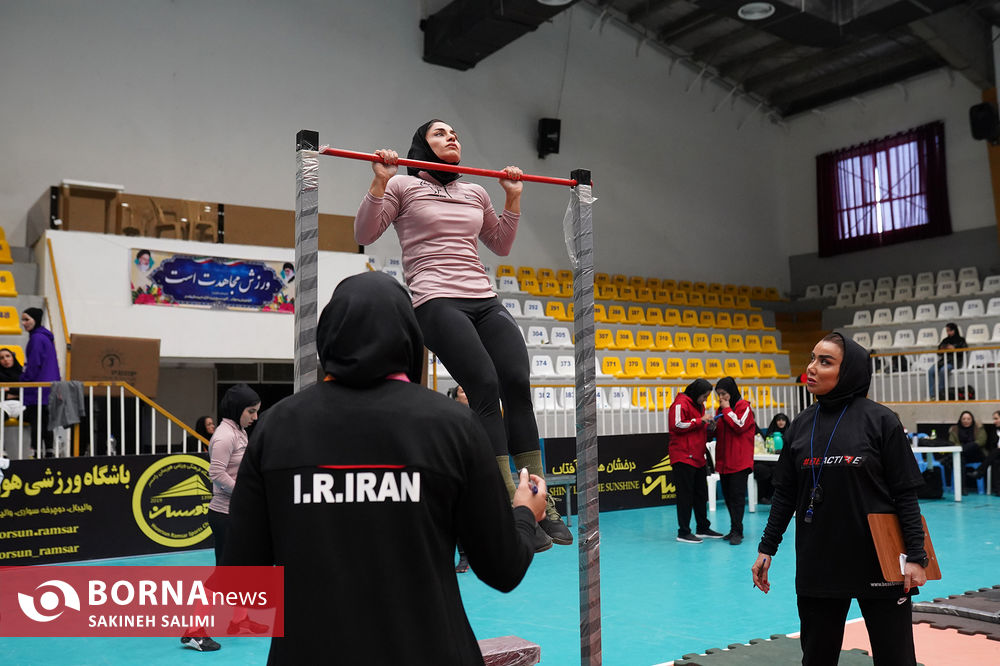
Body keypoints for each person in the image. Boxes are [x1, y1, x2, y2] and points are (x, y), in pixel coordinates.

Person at [222, 271, 547, 664]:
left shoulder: (276, 428)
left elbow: (240, 582)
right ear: (409, 338)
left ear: (328, 335)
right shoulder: (453, 426)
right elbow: (502, 568)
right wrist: (525, 514)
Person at [354, 118, 570, 550]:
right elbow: (364, 233)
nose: (451, 136)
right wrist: (379, 182)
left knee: (516, 384)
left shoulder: (475, 191)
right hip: (435, 298)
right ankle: (510, 503)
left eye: (454, 133)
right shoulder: (403, 186)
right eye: (439, 133)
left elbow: (500, 244)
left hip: (483, 298)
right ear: (421, 145)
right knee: (484, 386)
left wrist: (512, 198)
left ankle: (541, 502)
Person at [752, 332, 928, 666]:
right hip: (819, 562)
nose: (811, 368)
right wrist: (766, 548)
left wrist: (917, 556)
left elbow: (905, 494)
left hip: (881, 562)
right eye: (812, 358)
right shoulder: (800, 426)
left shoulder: (882, 421)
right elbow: (785, 495)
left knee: (896, 659)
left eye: (825, 362)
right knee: (817, 659)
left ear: (848, 372)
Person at [182, 384, 262, 652]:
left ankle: (239, 621)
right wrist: (245, 494)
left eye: (256, 411)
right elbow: (216, 474)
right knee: (223, 575)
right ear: (238, 409)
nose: (255, 417)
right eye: (251, 411)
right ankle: (194, 631)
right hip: (224, 515)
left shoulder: (239, 431)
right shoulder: (224, 436)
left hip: (238, 513)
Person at [668, 378, 723, 544]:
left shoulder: (699, 406)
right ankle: (683, 532)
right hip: (683, 456)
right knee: (685, 496)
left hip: (698, 456)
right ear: (696, 393)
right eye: (704, 396)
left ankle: (703, 527)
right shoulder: (680, 403)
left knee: (700, 494)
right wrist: (700, 421)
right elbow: (677, 424)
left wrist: (709, 425)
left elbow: (697, 427)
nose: (705, 400)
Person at [713, 377, 755, 545]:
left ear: (732, 392)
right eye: (718, 394)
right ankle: (733, 529)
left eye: (724, 394)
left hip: (739, 461)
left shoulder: (744, 407)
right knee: (728, 497)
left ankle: (738, 531)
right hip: (724, 462)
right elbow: (719, 431)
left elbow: (739, 425)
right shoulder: (721, 409)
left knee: (737, 498)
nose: (721, 398)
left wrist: (727, 410)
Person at [19, 308, 61, 455]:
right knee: (45, 421)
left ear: (35, 320)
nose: (23, 323)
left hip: (38, 388)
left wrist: (22, 380)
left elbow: (34, 365)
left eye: (26, 319)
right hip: (48, 387)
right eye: (22, 320)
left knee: (37, 421)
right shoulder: (45, 337)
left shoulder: (36, 338)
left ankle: (36, 453)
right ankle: (49, 452)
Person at [448, 384, 472, 574]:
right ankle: (464, 556)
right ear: (455, 397)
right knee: (456, 517)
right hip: (456, 471)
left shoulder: (482, 415)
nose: (467, 394)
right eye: (462, 391)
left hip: (477, 471)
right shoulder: (449, 416)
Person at [754, 413, 789, 504]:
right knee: (764, 470)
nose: (781, 422)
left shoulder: (790, 433)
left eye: (783, 420)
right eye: (778, 420)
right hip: (768, 461)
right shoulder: (770, 434)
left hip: (785, 462)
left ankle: (772, 496)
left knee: (777, 470)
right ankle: (764, 496)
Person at [949, 410, 987, 493]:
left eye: (968, 419)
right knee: (960, 460)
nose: (966, 421)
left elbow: (981, 441)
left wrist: (965, 447)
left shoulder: (978, 428)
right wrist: (962, 448)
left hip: (976, 454)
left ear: (972, 420)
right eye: (964, 419)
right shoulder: (954, 429)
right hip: (962, 455)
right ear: (960, 420)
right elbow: (952, 442)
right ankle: (961, 488)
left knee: (964, 452)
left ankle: (947, 459)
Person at [928, 322, 966, 399]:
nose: (948, 332)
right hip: (943, 361)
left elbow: (964, 351)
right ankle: (932, 395)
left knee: (943, 370)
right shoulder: (945, 340)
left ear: (954, 330)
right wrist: (943, 349)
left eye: (950, 330)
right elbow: (939, 352)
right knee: (930, 371)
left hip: (954, 361)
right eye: (947, 331)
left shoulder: (961, 340)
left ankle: (940, 393)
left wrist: (954, 349)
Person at [972, 410, 1000, 494]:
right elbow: (991, 446)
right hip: (997, 454)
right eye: (994, 419)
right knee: (996, 461)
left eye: (996, 419)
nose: (994, 421)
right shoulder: (994, 431)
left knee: (996, 453)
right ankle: (998, 490)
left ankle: (980, 471)